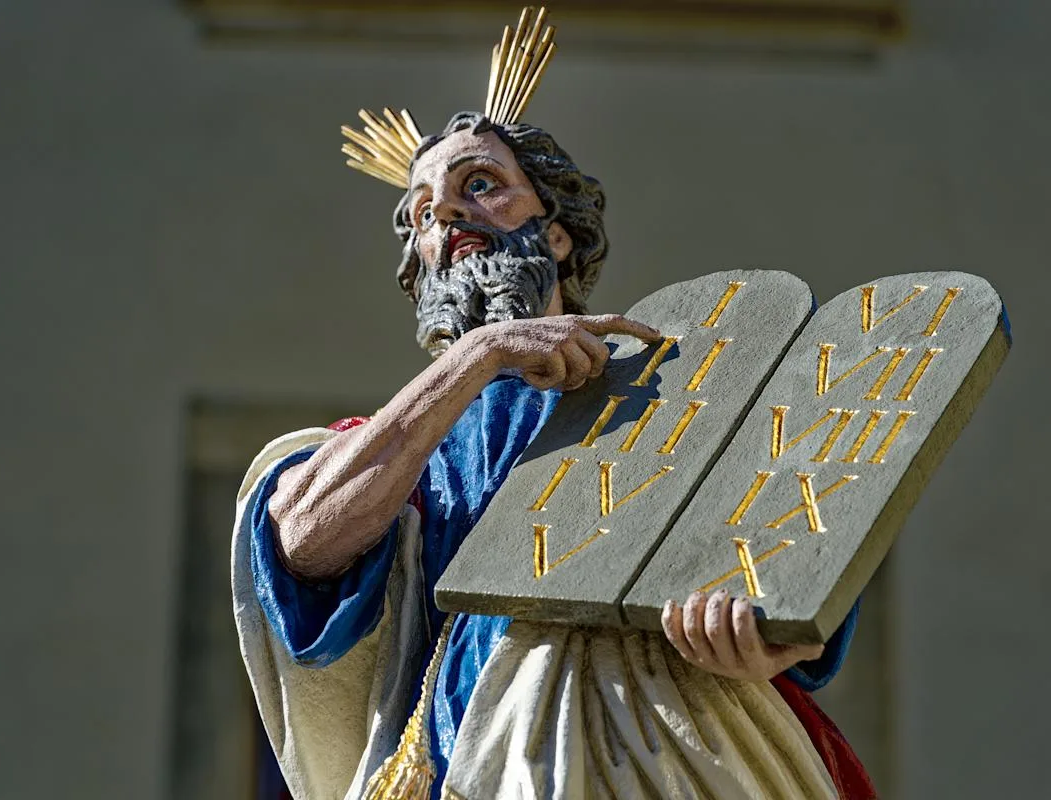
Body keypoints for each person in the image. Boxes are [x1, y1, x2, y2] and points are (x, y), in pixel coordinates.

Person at [231, 10, 873, 799]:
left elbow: (787, 546)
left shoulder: (676, 383)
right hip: (478, 747)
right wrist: (478, 356)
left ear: (557, 234)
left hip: (675, 736)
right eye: (425, 212)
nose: (448, 214)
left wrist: (771, 633)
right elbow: (301, 536)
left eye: (480, 185)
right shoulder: (410, 444)